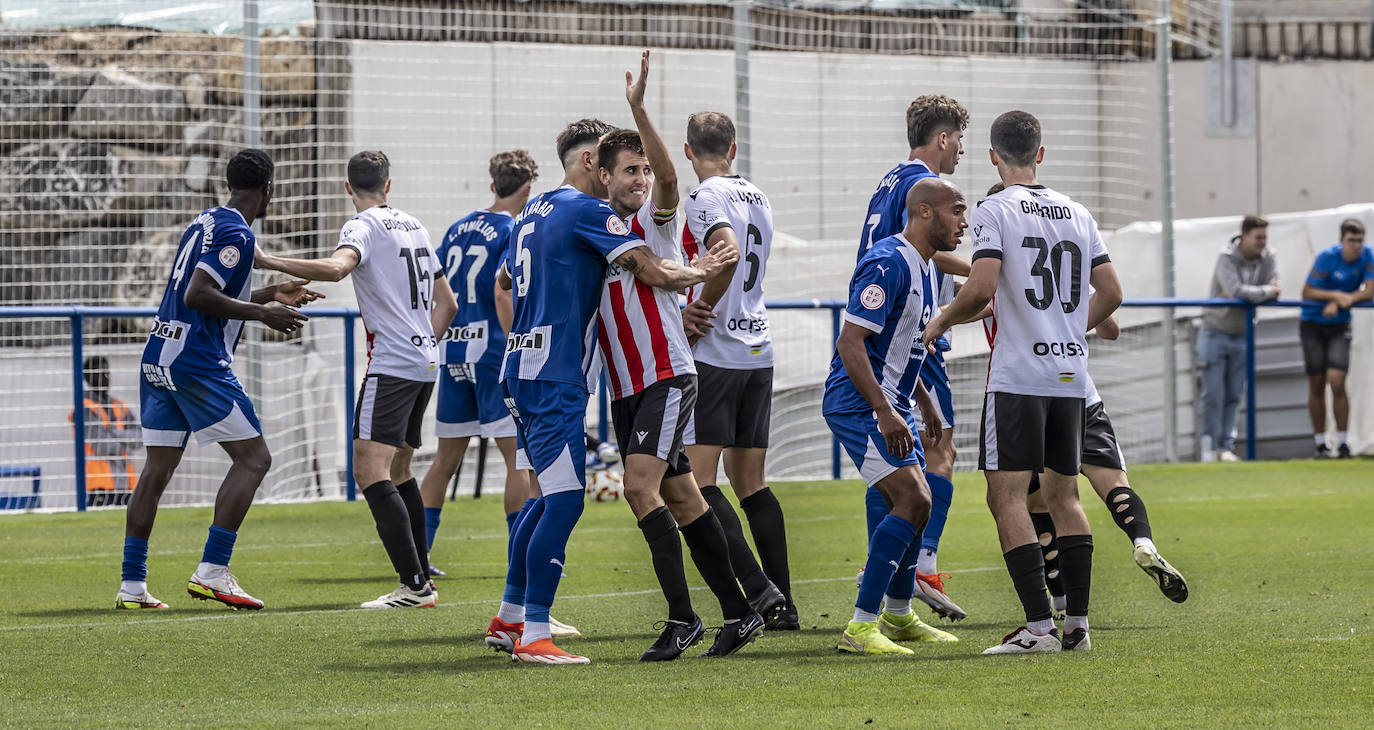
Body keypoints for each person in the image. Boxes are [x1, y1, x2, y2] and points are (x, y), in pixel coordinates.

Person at [484, 113, 737, 665]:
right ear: (590, 164)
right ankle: (534, 635)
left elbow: (503, 282)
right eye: (616, 168)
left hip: (519, 369)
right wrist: (698, 271)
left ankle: (509, 616)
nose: (624, 180)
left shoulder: (530, 211)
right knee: (567, 501)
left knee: (544, 496)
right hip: (555, 376)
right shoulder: (590, 212)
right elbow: (652, 271)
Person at [923, 110, 1122, 654]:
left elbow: (983, 287)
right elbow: (1112, 294)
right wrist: (1066, 327)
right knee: (1064, 495)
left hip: (1018, 378)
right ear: (1041, 153)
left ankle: (1038, 628)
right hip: (1068, 376)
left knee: (1005, 496)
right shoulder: (1078, 213)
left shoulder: (994, 209)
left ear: (992, 156)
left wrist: (939, 321)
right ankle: (1077, 627)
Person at [593, 52, 764, 660]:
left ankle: (680, 618)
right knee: (685, 497)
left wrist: (639, 111)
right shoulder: (594, 226)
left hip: (666, 372)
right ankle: (743, 611)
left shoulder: (653, 221)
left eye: (643, 169)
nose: (641, 179)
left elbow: (670, 182)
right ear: (601, 174)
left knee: (641, 489)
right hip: (625, 383)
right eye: (629, 171)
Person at [116, 148, 319, 611]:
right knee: (255, 460)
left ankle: (132, 585)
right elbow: (199, 294)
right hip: (196, 362)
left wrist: (271, 292)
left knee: (158, 468)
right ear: (269, 187)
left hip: (159, 355)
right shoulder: (236, 233)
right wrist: (262, 311)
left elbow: (208, 287)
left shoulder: (206, 220)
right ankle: (212, 570)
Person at [256, 150, 458, 610]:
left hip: (392, 363)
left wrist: (268, 259)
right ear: (390, 184)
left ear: (348, 188)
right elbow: (448, 305)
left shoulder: (360, 226)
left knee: (369, 471)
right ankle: (421, 574)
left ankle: (414, 586)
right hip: (425, 361)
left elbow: (337, 268)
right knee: (401, 469)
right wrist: (422, 342)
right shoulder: (416, 226)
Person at [825, 177, 965, 655]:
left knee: (907, 501)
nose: (963, 222)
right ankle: (862, 626)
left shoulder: (925, 267)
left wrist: (923, 402)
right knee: (914, 500)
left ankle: (900, 617)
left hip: (894, 400)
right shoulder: (889, 261)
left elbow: (904, 345)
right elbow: (850, 342)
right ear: (924, 212)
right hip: (858, 402)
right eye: (957, 210)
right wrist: (885, 411)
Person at [855, 94, 972, 622]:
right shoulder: (920, 185)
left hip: (893, 331)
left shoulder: (889, 178)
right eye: (959, 141)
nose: (961, 152)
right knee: (936, 445)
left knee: (896, 458)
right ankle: (919, 561)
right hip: (908, 334)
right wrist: (981, 270)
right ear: (943, 138)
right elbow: (910, 249)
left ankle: (893, 576)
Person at [677, 110, 794, 630]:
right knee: (751, 482)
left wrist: (700, 307)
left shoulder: (703, 197)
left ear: (687, 151)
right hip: (758, 348)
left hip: (717, 352)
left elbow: (724, 251)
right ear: (733, 148)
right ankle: (784, 604)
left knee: (698, 482)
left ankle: (758, 591)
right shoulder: (758, 194)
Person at [420, 151, 537, 574]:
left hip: (453, 350)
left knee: (444, 460)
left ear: (492, 186)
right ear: (527, 190)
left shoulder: (456, 228)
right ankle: (519, 560)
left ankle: (419, 557)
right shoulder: (513, 227)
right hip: (492, 353)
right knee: (517, 459)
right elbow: (508, 288)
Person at [1024, 315, 1189, 614]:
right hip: (1078, 391)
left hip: (1028, 392)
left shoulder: (1003, 272)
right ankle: (1143, 543)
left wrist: (942, 318)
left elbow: (982, 298)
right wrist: (1066, 321)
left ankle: (1060, 597)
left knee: (1041, 503)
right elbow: (1110, 328)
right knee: (1114, 484)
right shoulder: (1075, 270)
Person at [1198, 215, 1280, 462]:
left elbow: (1274, 290)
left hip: (1243, 333)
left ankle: (1224, 447)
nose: (1262, 242)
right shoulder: (1226, 256)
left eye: (1265, 237)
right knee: (1213, 394)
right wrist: (1265, 291)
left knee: (1234, 394)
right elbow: (1237, 291)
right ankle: (1209, 449)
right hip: (1214, 331)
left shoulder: (1269, 256)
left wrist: (1251, 294)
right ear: (1244, 236)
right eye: (1258, 237)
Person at [1299, 218, 1373, 458]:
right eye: (1351, 241)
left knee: (1337, 380)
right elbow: (1308, 291)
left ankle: (1342, 442)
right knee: (1317, 383)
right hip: (1313, 323)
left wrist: (1346, 299)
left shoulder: (1368, 256)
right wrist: (1335, 296)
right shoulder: (1326, 258)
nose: (1356, 246)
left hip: (1339, 324)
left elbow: (1370, 290)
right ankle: (1321, 443)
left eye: (1360, 241)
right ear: (1341, 240)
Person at [70, 355, 139, 507]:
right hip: (98, 483)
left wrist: (113, 432)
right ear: (87, 378)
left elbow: (140, 438)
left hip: (125, 481)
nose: (104, 377)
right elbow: (101, 446)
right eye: (98, 373)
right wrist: (126, 443)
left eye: (106, 372)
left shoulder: (120, 405)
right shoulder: (84, 408)